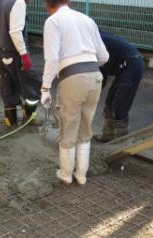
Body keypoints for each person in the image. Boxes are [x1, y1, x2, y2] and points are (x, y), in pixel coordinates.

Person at [40, 0, 109, 185]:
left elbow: (52, 59)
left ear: (48, 6)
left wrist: (45, 88)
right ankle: (81, 175)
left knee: (69, 126)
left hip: (72, 78)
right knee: (86, 127)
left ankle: (65, 174)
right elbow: (104, 56)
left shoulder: (53, 21)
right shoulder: (87, 19)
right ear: (68, 1)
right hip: (95, 76)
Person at [0, 0, 41, 127]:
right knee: (33, 87)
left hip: (0, 53)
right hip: (15, 53)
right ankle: (28, 120)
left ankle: (10, 123)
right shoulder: (19, 2)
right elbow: (15, 31)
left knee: (8, 88)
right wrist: (24, 55)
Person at [95, 31, 144, 142]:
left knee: (119, 105)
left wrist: (92, 95)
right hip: (125, 65)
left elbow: (100, 75)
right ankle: (108, 135)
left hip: (133, 64)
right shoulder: (95, 35)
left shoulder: (93, 41)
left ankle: (121, 141)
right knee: (110, 101)